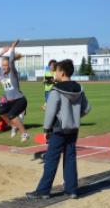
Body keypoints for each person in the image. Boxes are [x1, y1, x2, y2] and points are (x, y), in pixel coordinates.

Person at [26, 59, 91, 199]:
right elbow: (87, 108)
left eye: (56, 70)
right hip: (73, 129)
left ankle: (43, 191)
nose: (53, 72)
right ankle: (72, 190)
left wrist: (46, 129)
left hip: (58, 129)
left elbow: (50, 112)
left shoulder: (56, 90)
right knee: (70, 158)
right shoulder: (79, 89)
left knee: (51, 159)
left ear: (62, 73)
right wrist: (74, 117)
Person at [0, 39, 30, 142]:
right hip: (10, 101)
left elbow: (12, 60)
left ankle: (25, 133)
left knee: (12, 115)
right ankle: (13, 126)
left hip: (20, 100)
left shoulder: (12, 73)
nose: (4, 67)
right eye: (3, 65)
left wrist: (12, 48)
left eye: (6, 65)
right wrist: (2, 52)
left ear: (9, 66)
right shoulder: (1, 72)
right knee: (2, 111)